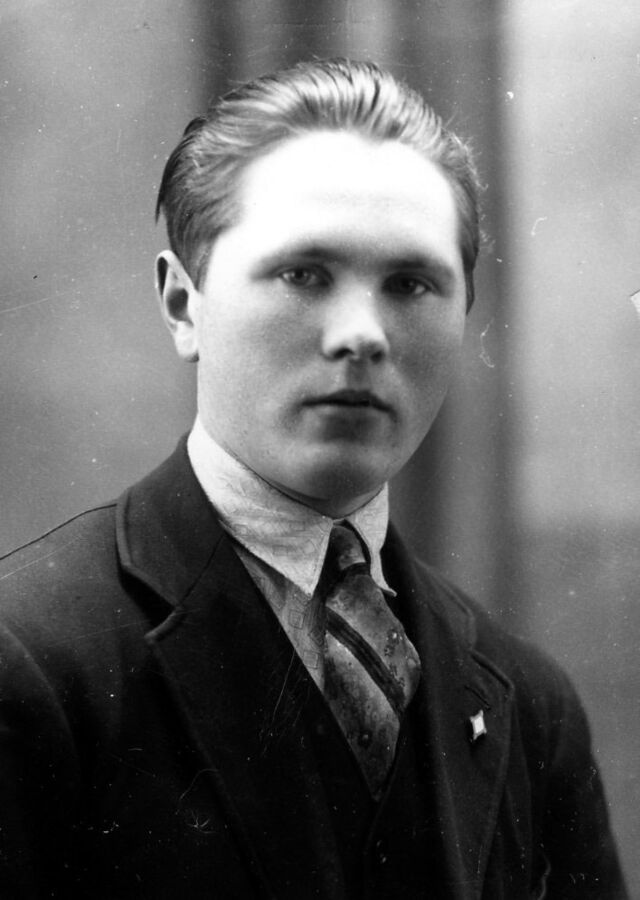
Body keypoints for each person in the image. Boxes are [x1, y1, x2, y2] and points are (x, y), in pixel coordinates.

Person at [0, 58, 627, 899]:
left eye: (411, 284)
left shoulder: (529, 703)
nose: (362, 334)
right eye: (304, 275)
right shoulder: (30, 661)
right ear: (183, 304)